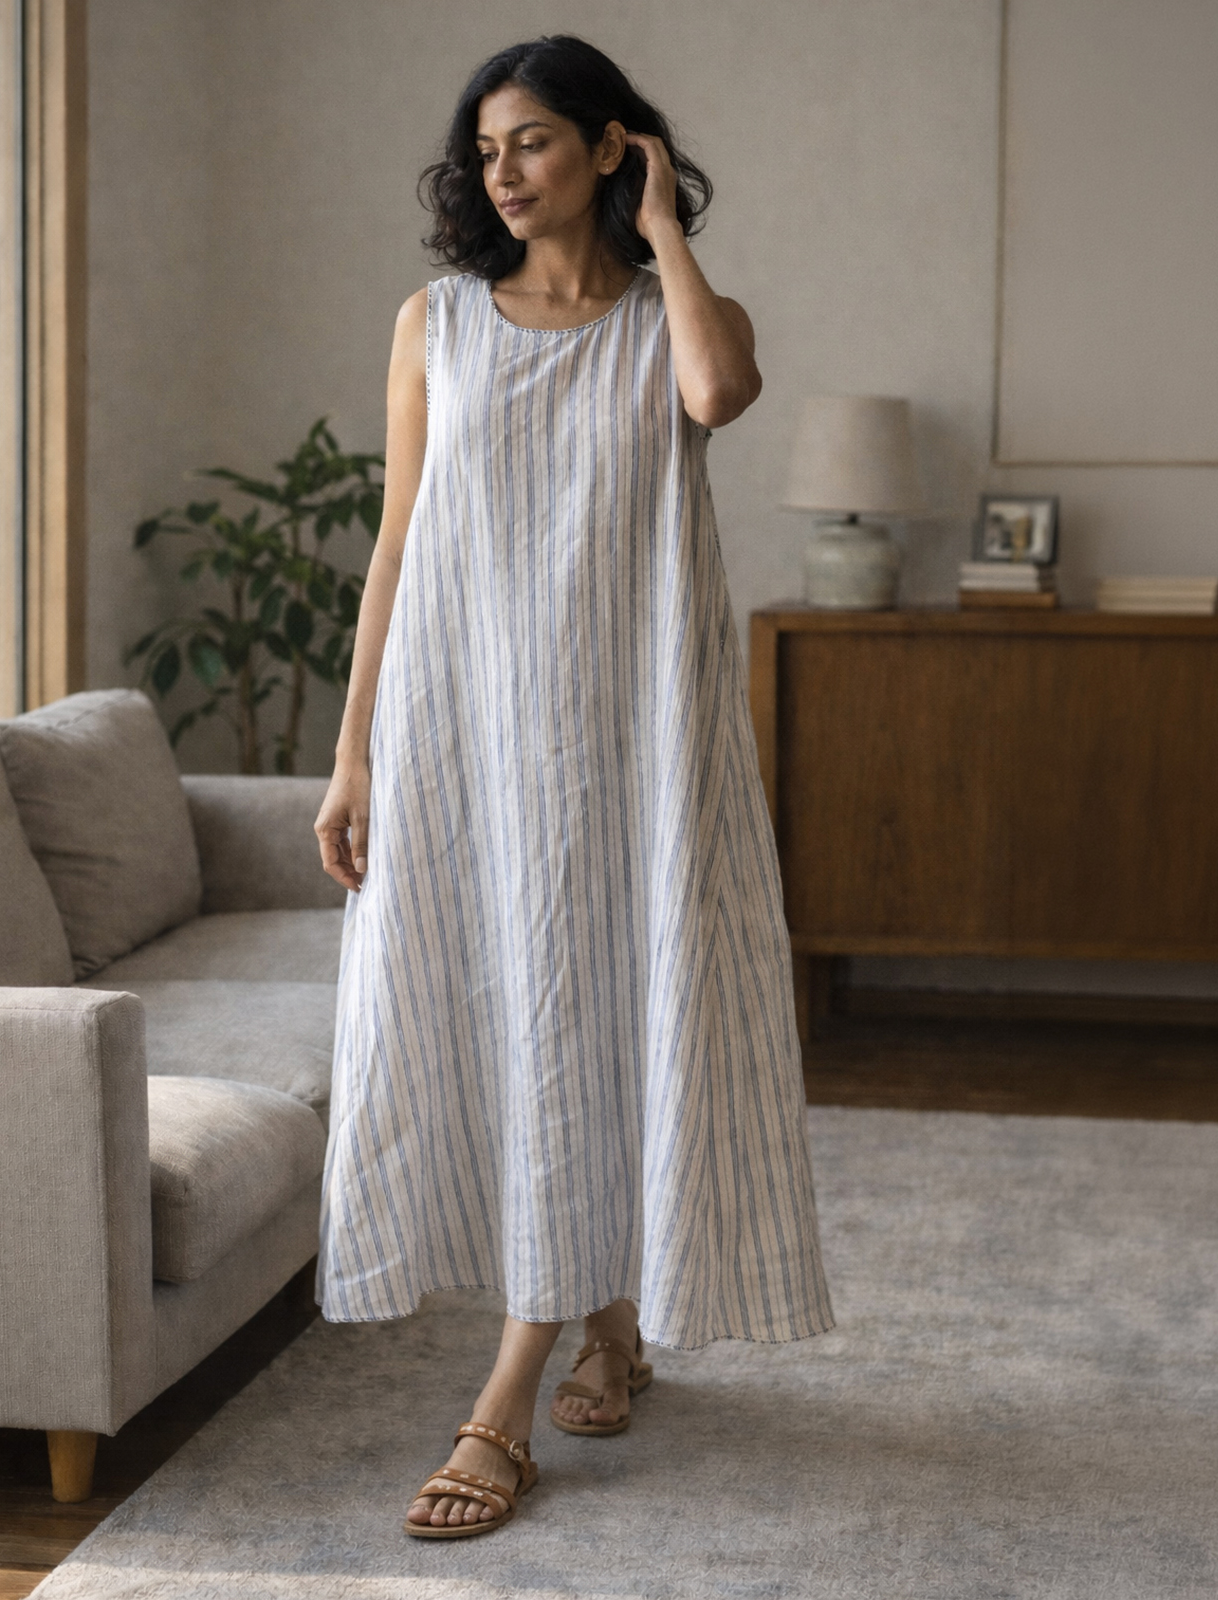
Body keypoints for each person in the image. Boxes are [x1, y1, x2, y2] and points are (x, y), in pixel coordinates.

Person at [313, 34, 834, 1541]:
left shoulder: (685, 315)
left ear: (611, 147)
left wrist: (666, 231)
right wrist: (354, 755)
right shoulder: (435, 323)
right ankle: (605, 1325)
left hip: (632, 732)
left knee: (602, 1004)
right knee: (527, 1014)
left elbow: (722, 394)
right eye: (486, 151)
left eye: (533, 142)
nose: (502, 172)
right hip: (465, 732)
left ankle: (502, 1402)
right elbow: (398, 546)